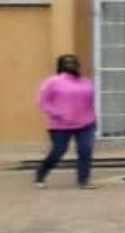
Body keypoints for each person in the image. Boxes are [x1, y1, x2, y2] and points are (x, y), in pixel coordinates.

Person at [33, 54, 97, 190]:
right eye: (67, 63)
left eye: (74, 62)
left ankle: (83, 180)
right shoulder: (52, 82)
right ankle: (41, 173)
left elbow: (89, 101)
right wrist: (58, 114)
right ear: (61, 65)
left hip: (86, 123)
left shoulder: (86, 81)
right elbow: (42, 102)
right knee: (58, 151)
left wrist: (91, 116)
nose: (71, 65)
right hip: (61, 125)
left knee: (85, 150)